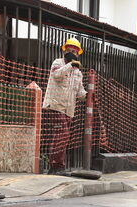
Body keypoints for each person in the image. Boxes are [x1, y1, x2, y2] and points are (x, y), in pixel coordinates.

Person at [42, 38, 87, 175]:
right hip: (55, 105)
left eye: (75, 51)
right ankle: (57, 166)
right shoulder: (58, 63)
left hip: (69, 110)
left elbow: (79, 91)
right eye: (70, 50)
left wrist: (88, 94)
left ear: (78, 53)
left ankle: (56, 166)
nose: (72, 53)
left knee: (63, 136)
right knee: (62, 134)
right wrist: (70, 65)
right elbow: (56, 75)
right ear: (65, 50)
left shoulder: (78, 72)